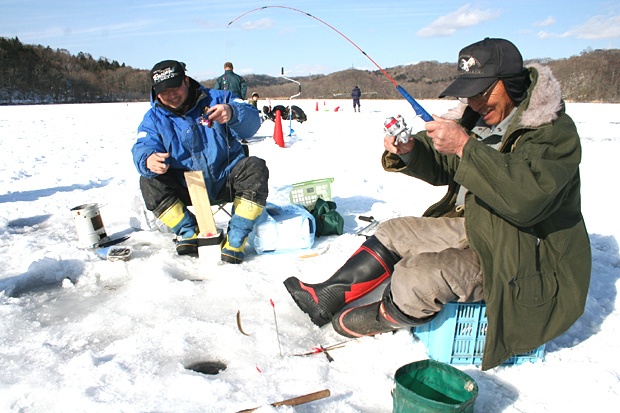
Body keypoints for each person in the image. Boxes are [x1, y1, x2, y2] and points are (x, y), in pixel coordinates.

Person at [284, 38, 591, 370]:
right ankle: (326, 296)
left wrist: (465, 147)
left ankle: (380, 317)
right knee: (393, 232)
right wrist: (411, 151)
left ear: (512, 82)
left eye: (484, 90)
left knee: (417, 277)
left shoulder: (552, 132)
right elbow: (450, 164)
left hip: (522, 253)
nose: (475, 101)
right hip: (476, 224)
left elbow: (526, 200)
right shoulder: (478, 119)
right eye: (469, 92)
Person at [132, 60, 269, 264]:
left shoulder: (219, 98)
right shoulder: (153, 119)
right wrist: (148, 158)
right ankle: (187, 230)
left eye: (175, 87)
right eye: (164, 91)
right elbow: (143, 145)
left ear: (186, 81)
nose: (171, 95)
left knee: (255, 167)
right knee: (149, 181)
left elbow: (252, 124)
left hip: (226, 178)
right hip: (185, 186)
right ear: (155, 92)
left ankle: (237, 236)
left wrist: (232, 112)